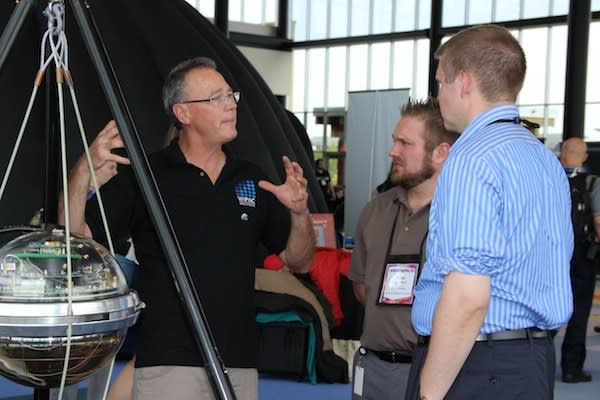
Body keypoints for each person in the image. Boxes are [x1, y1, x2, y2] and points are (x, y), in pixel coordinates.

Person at [59, 56, 315, 400]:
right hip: (169, 363)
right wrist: (81, 175)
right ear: (183, 113)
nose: (230, 105)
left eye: (230, 96)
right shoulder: (147, 176)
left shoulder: (252, 179)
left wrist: (300, 213)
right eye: (215, 98)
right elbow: (75, 240)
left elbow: (299, 260)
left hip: (238, 363)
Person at [406, 24, 573, 400]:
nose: (439, 96)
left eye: (441, 83)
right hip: (531, 362)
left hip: (477, 364)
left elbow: (468, 296)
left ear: (463, 82)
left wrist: (430, 392)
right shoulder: (544, 161)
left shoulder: (472, 157)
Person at [348, 98, 458, 400]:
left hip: (433, 373)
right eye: (394, 141)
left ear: (440, 153)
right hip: (372, 367)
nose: (392, 151)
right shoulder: (376, 209)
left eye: (404, 143)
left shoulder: (461, 215)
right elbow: (361, 288)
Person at [559, 137, 600, 383]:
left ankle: (538, 358)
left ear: (562, 154)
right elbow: (598, 221)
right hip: (583, 257)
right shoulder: (593, 183)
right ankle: (572, 368)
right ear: (585, 157)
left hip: (553, 256)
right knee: (579, 311)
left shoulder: (550, 178)